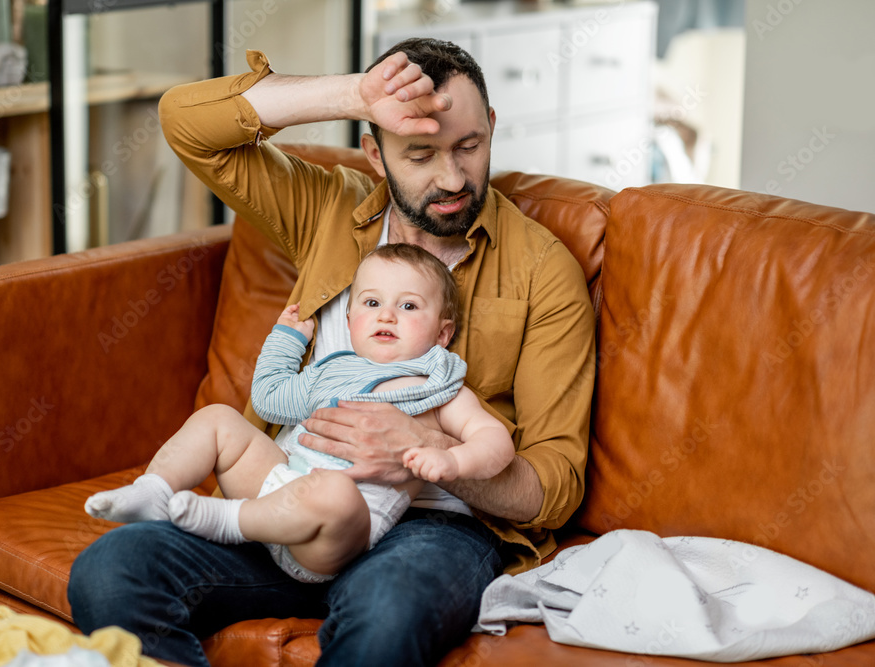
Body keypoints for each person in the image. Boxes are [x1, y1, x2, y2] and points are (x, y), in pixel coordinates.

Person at [68, 38, 596, 667]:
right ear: (375, 152)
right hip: (289, 494)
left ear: (490, 130)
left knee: (388, 610)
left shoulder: (542, 270)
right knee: (110, 570)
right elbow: (186, 121)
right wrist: (354, 94)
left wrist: (425, 450)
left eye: (470, 146)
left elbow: (556, 487)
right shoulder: (329, 207)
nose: (453, 178)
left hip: (436, 527)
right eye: (421, 153)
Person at [83, 244, 514, 584]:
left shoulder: (436, 385)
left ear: (443, 332)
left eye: (408, 306)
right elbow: (270, 398)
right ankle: (154, 490)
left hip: (331, 533)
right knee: (218, 419)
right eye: (370, 303)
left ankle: (230, 523)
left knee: (333, 491)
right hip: (277, 484)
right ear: (349, 322)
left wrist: (452, 460)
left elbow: (495, 442)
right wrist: (287, 339)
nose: (386, 314)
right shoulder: (330, 371)